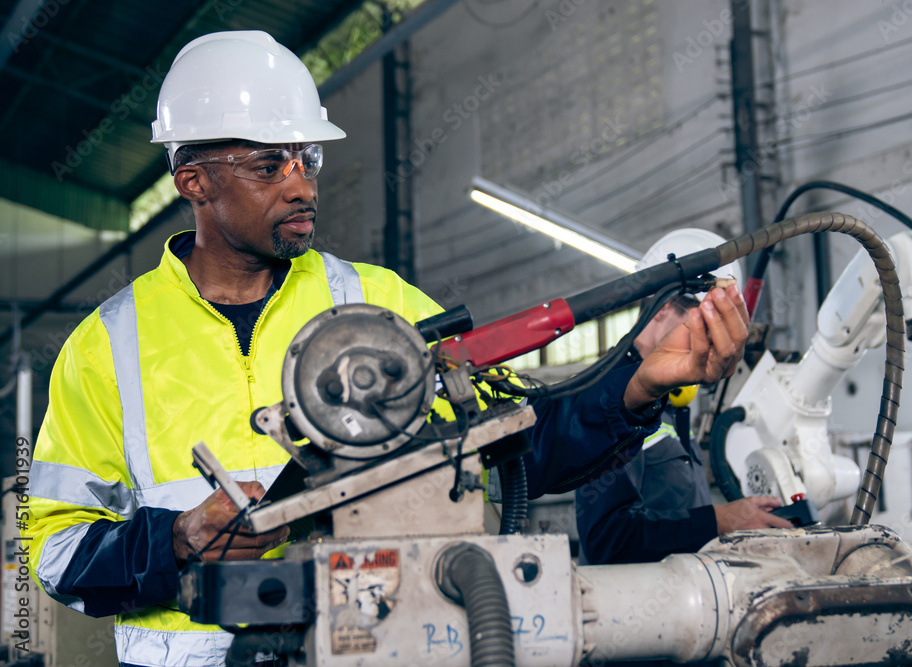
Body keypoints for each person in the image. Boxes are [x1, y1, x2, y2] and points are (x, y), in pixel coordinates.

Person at [25, 31, 749, 666]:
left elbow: (521, 442)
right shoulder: (106, 347)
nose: (302, 183)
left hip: (369, 648)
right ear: (194, 180)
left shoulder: (374, 305)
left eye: (308, 157)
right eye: (271, 163)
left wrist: (637, 385)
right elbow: (56, 552)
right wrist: (177, 538)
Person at [576, 230, 792, 567]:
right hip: (627, 609)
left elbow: (678, 510)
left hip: (688, 600)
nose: (713, 341)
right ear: (662, 308)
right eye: (705, 323)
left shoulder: (675, 397)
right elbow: (607, 540)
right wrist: (720, 521)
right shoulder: (608, 397)